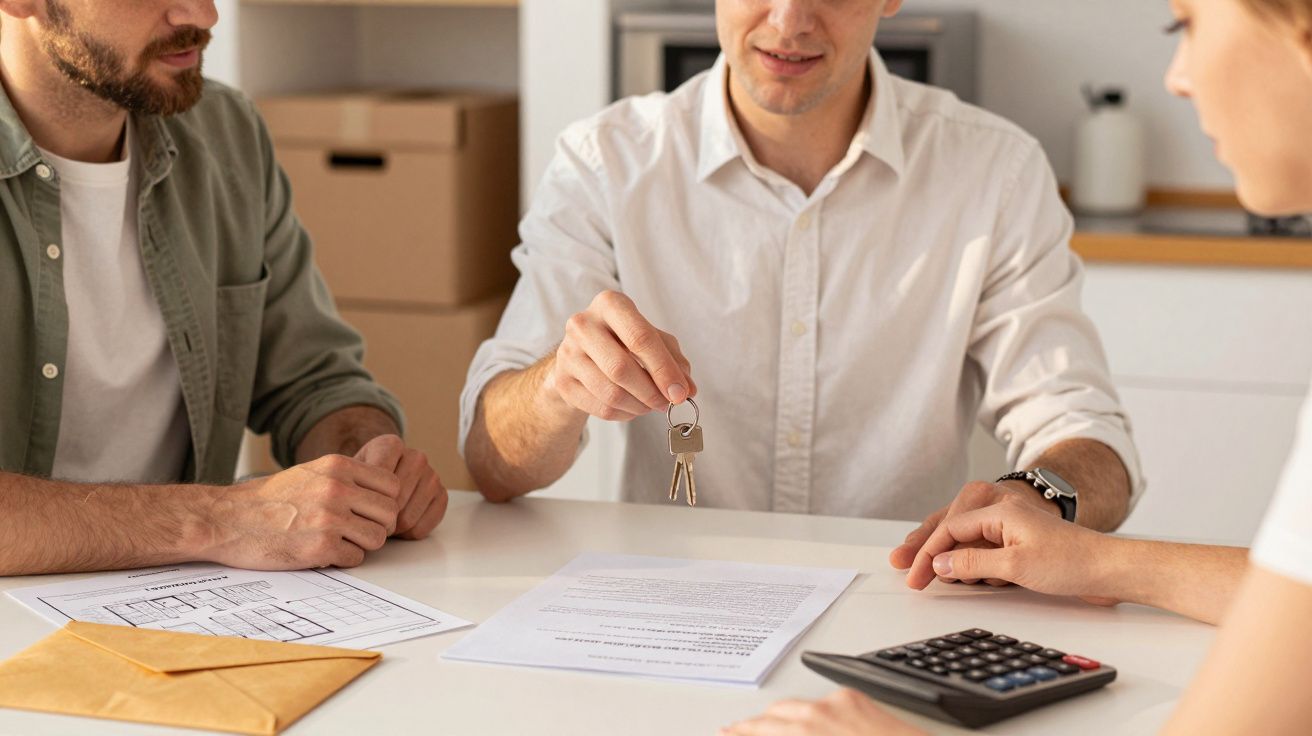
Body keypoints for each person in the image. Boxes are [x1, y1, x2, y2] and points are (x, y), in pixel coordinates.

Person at [723, 0, 1312, 732]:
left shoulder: (990, 165)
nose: (1178, 76)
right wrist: (1100, 565)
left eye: (1183, 24)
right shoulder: (603, 157)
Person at [460, 0, 1143, 555]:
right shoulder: (603, 163)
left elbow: (1095, 445)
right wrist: (557, 386)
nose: (789, 21)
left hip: (900, 596)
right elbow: (490, 464)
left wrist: (1035, 498)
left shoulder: (996, 172)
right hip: (675, 606)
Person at [0, 0, 448, 576]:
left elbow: (312, 381)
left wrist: (367, 463)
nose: (204, 15)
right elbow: (229, 519)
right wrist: (221, 518)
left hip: (192, 611)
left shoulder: (225, 133)